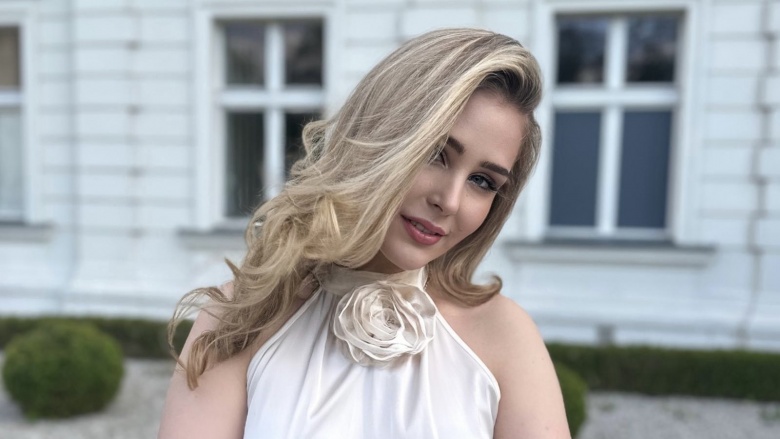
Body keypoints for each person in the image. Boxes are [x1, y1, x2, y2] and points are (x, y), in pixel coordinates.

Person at [158, 28, 570, 438]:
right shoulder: (243, 315)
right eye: (435, 154)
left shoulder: (506, 337)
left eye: (482, 181)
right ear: (378, 139)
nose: (450, 201)